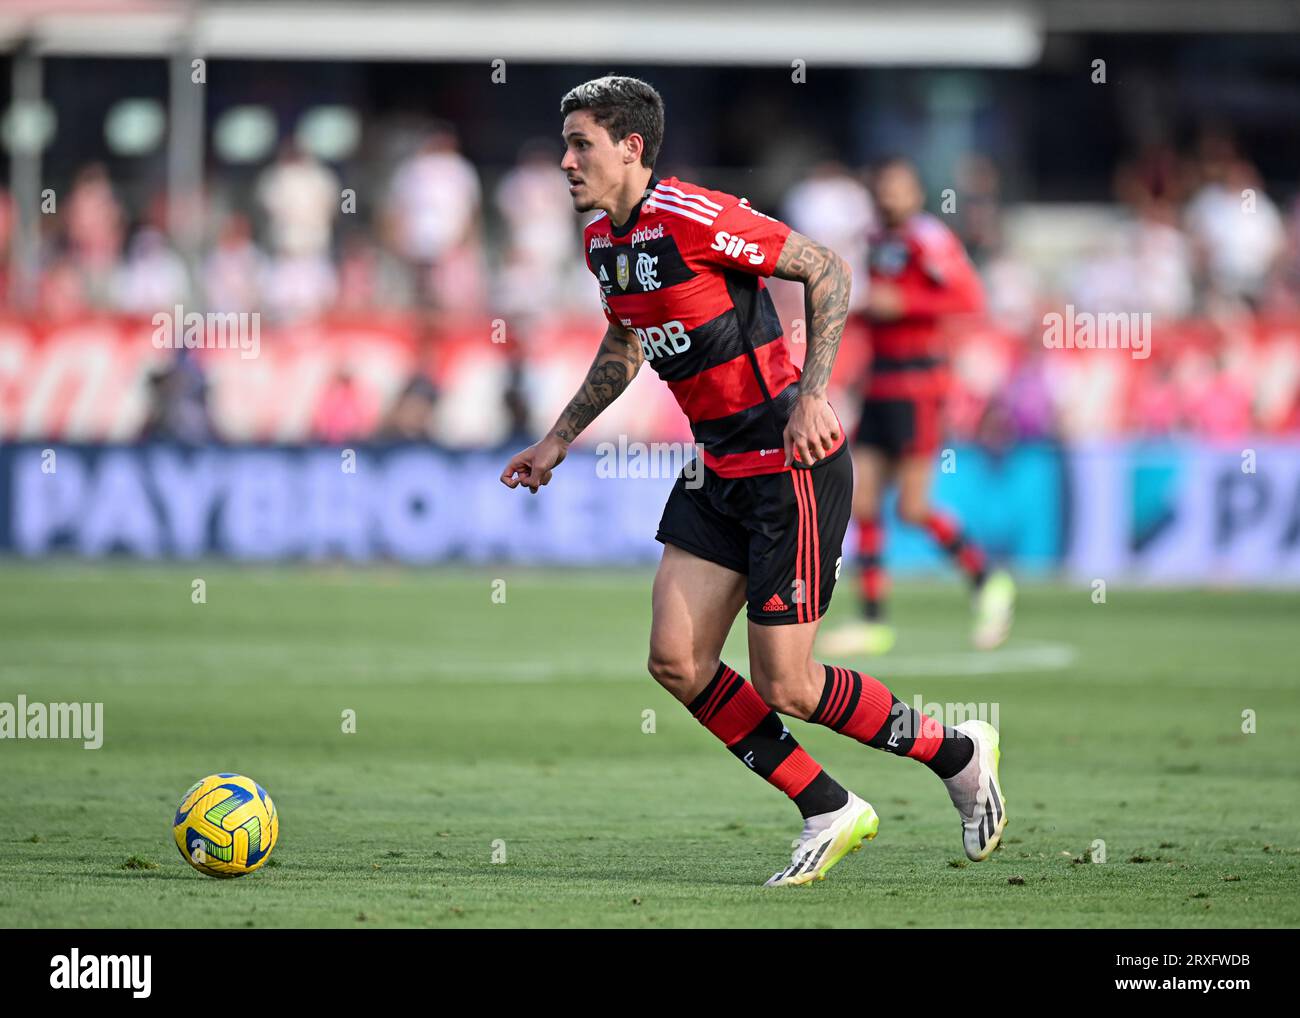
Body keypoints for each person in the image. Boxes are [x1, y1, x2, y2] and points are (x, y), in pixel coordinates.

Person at [499, 77, 1006, 886]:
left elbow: (827, 269)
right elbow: (627, 343)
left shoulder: (698, 217)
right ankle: (830, 808)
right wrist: (558, 438)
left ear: (630, 147)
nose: (565, 161)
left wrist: (813, 395)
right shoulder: (605, 242)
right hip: (713, 465)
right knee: (676, 659)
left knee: (789, 683)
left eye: (579, 144)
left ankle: (956, 751)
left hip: (788, 463)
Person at [820, 157, 1015, 658]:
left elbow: (968, 300)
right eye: (883, 189)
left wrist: (904, 306)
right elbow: (877, 305)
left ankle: (987, 580)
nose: (890, 198)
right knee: (860, 504)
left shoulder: (930, 239)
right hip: (881, 383)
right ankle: (872, 621)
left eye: (899, 189)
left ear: (916, 195)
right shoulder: (874, 242)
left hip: (919, 386)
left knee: (911, 508)